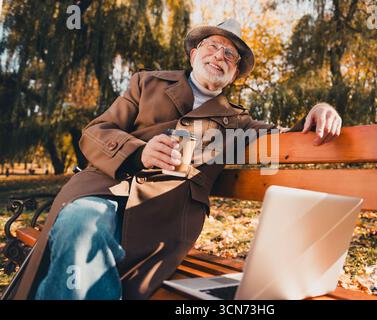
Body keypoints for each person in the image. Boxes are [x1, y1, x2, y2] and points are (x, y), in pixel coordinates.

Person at [8, 19, 341, 300]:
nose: (220, 56)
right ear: (195, 54)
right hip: (104, 190)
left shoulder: (238, 121)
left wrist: (320, 109)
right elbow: (97, 131)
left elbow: (284, 141)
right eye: (213, 46)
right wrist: (139, 151)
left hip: (164, 219)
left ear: (235, 72)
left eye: (230, 54)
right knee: (81, 225)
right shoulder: (146, 83)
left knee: (80, 246)